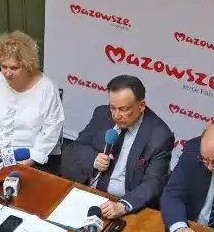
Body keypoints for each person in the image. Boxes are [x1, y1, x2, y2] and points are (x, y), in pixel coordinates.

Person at [61, 75, 174, 219]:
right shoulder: (102, 114)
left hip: (123, 205)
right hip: (87, 193)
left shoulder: (159, 136)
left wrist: (123, 206)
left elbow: (154, 182)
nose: (116, 115)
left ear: (141, 106)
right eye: (112, 108)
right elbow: (77, 147)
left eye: (123, 109)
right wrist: (94, 160)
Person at [0, 31, 64, 168]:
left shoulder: (47, 89)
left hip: (31, 158)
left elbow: (50, 132)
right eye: (4, 66)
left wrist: (30, 161)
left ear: (28, 65)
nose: (7, 73)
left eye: (14, 68)